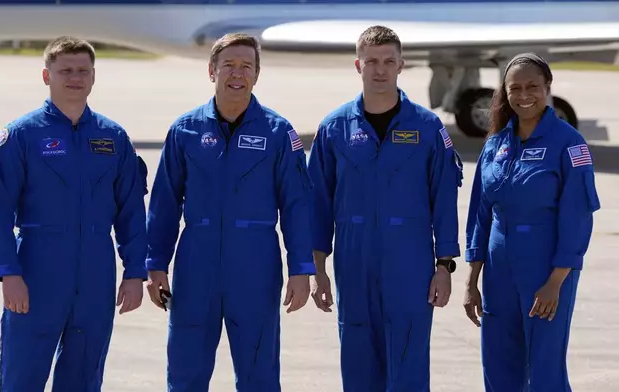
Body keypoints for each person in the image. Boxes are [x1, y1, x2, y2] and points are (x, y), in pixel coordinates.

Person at [145, 32, 315, 392]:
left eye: (246, 67)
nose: (237, 74)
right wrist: (155, 263)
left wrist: (301, 268)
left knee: (259, 375)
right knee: (185, 373)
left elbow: (297, 206)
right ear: (212, 70)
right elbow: (164, 204)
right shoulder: (185, 131)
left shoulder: (278, 132)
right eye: (229, 66)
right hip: (196, 267)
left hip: (255, 266)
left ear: (256, 74)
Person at [0, 36, 149, 391]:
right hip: (37, 268)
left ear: (93, 77)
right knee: (22, 373)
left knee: (84, 373)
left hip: (96, 271)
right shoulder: (21, 136)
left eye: (83, 71)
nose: (75, 78)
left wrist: (135, 272)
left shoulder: (113, 138)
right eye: (65, 71)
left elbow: (131, 211)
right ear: (47, 76)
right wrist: (8, 272)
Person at [307, 25, 463, 391]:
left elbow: (443, 199)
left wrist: (445, 266)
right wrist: (317, 269)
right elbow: (317, 204)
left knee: (408, 361)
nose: (380, 70)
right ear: (357, 66)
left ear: (401, 65)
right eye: (372, 61)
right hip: (353, 262)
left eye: (388, 61)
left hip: (410, 265)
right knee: (359, 361)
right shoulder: (334, 128)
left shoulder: (427, 128)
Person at [463, 53, 601, 392]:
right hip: (499, 271)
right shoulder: (495, 144)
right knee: (498, 366)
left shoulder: (569, 143)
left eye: (533, 87)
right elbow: (480, 214)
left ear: (548, 88)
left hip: (545, 269)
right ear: (505, 93)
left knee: (544, 370)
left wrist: (556, 280)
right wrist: (471, 278)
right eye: (516, 88)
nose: (524, 96)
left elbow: (577, 216)